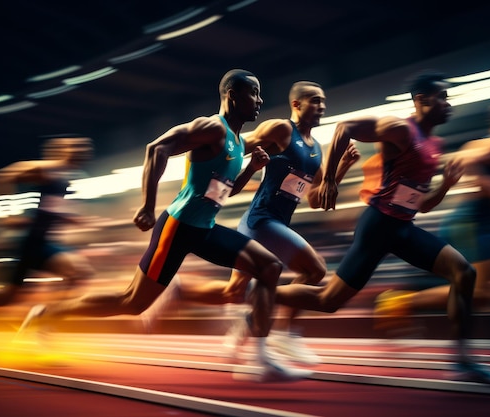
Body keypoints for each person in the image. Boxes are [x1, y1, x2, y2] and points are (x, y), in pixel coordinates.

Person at [17, 69, 311, 382]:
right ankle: (46, 314)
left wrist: (251, 168)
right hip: (177, 227)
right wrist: (147, 205)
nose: (260, 101)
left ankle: (261, 358)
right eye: (254, 93)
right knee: (131, 303)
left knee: (268, 267)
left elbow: (222, 193)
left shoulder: (239, 143)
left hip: (205, 229)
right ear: (233, 96)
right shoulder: (212, 127)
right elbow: (156, 148)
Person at [272, 71, 490, 388]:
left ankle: (464, 360)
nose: (448, 104)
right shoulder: (400, 129)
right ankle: (261, 292)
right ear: (422, 100)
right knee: (328, 301)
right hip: (378, 226)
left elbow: (422, 206)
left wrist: (446, 186)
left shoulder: (434, 144)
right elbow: (344, 127)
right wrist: (328, 180)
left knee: (464, 272)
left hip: (404, 227)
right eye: (442, 97)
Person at [173, 81, 360, 364]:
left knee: (231, 292)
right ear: (296, 104)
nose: (321, 106)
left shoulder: (316, 149)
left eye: (323, 101)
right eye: (314, 100)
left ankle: (182, 290)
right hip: (261, 221)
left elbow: (316, 200)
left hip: (274, 224)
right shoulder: (281, 129)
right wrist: (209, 184)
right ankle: (285, 334)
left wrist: (342, 167)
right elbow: (235, 148)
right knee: (314, 271)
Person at [375, 99, 490, 319]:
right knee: (480, 291)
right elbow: (462, 158)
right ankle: (399, 301)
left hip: (484, 225)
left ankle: (448, 332)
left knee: (485, 294)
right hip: (471, 223)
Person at [0, 135, 96, 352]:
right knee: (9, 296)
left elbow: (48, 208)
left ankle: (44, 318)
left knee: (79, 273)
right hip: (32, 243)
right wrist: (7, 214)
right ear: (63, 149)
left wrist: (71, 218)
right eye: (77, 145)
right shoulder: (45, 168)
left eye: (85, 147)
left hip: (45, 243)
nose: (84, 149)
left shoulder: (65, 177)